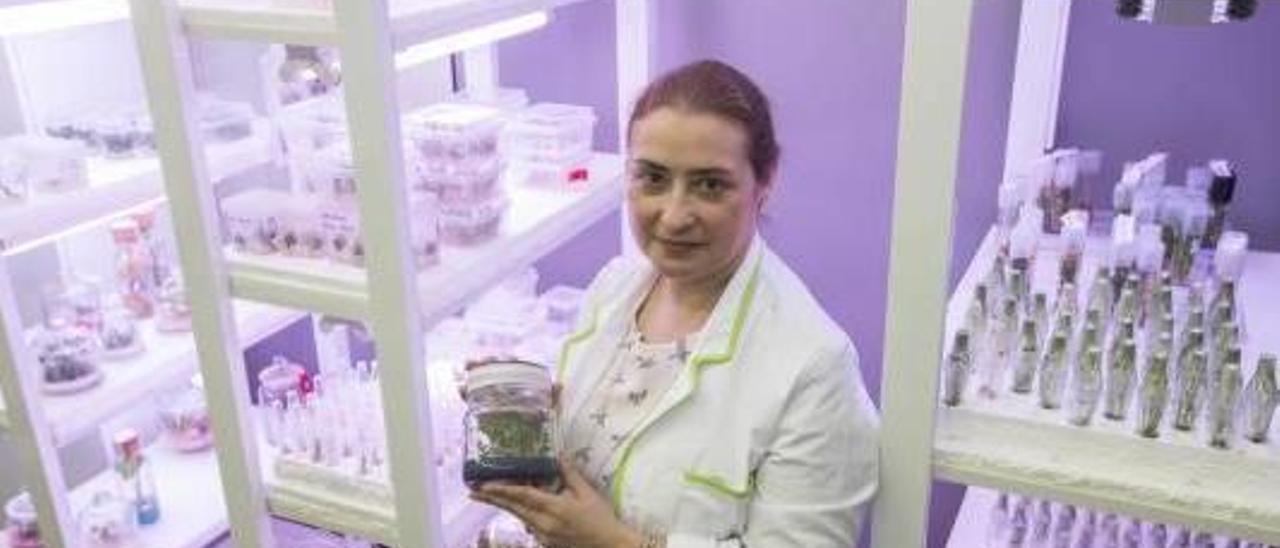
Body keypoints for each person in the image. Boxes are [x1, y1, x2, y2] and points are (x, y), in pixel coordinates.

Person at [471, 59, 880, 548]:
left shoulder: (815, 367)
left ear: (765, 181)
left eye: (710, 185)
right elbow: (603, 462)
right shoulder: (614, 289)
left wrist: (615, 544)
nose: (674, 215)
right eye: (653, 178)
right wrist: (524, 414)